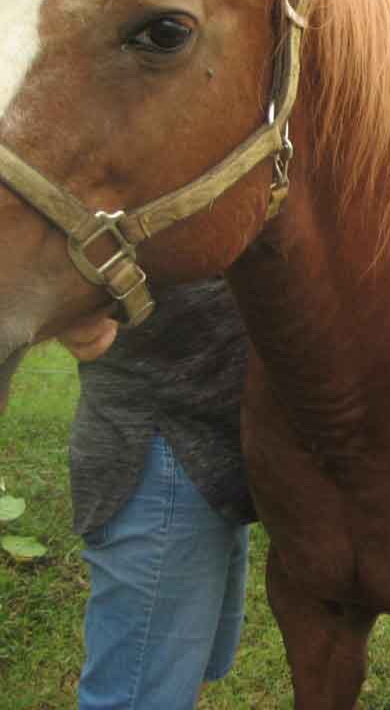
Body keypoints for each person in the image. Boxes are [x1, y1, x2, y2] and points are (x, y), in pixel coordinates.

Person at [59, 278, 255, 710]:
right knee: (137, 696)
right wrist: (59, 303)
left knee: (173, 676)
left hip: (210, 456)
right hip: (164, 454)